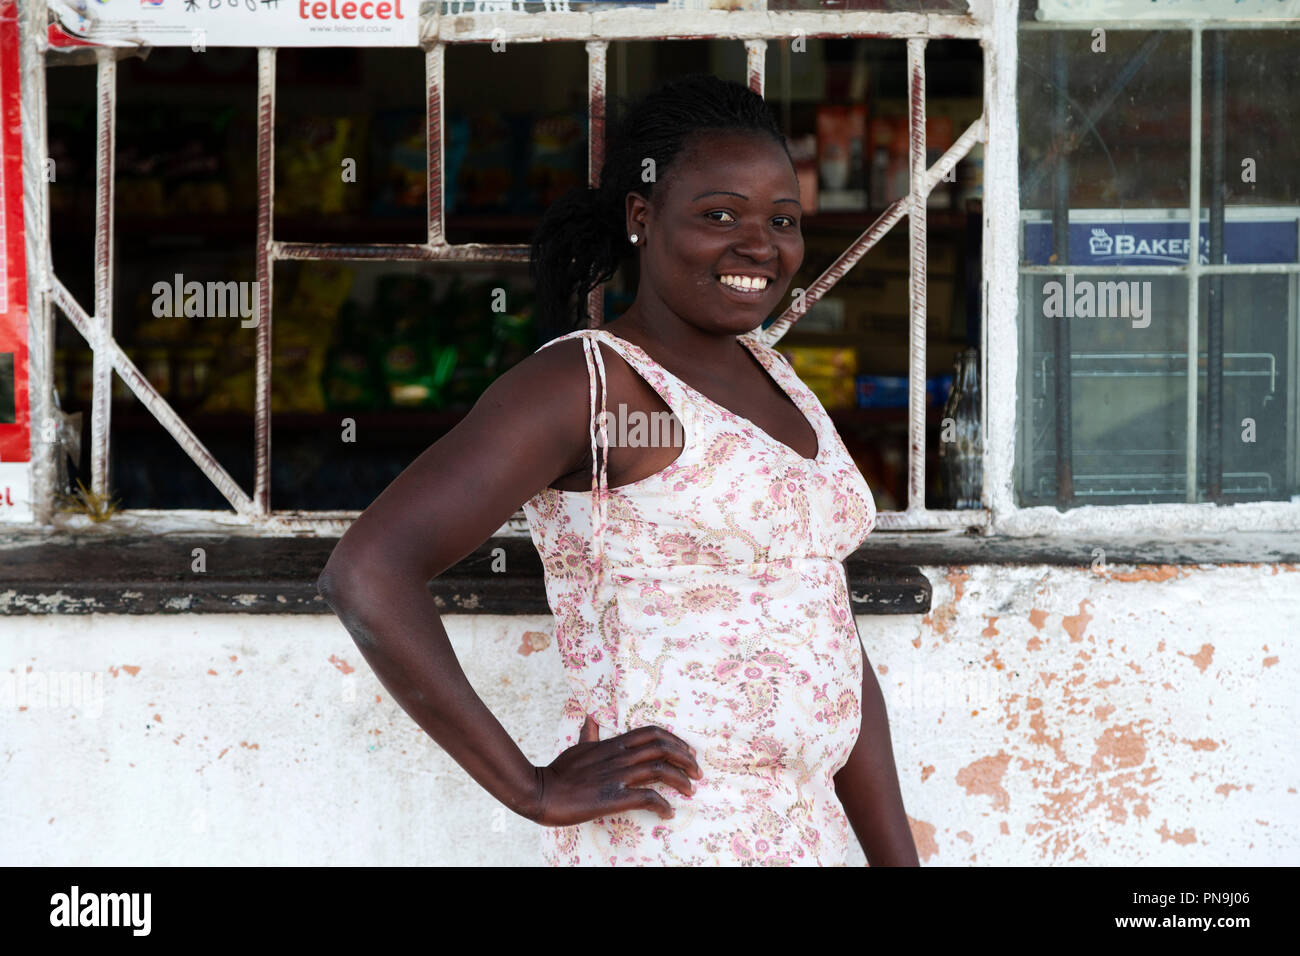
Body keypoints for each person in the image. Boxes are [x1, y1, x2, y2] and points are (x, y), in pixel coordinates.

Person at [318, 72, 919, 866]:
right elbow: (367, 571)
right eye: (719, 215)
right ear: (642, 216)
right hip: (671, 840)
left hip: (802, 836)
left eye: (783, 219)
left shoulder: (784, 380)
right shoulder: (584, 385)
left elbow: (823, 627)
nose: (759, 245)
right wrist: (531, 790)